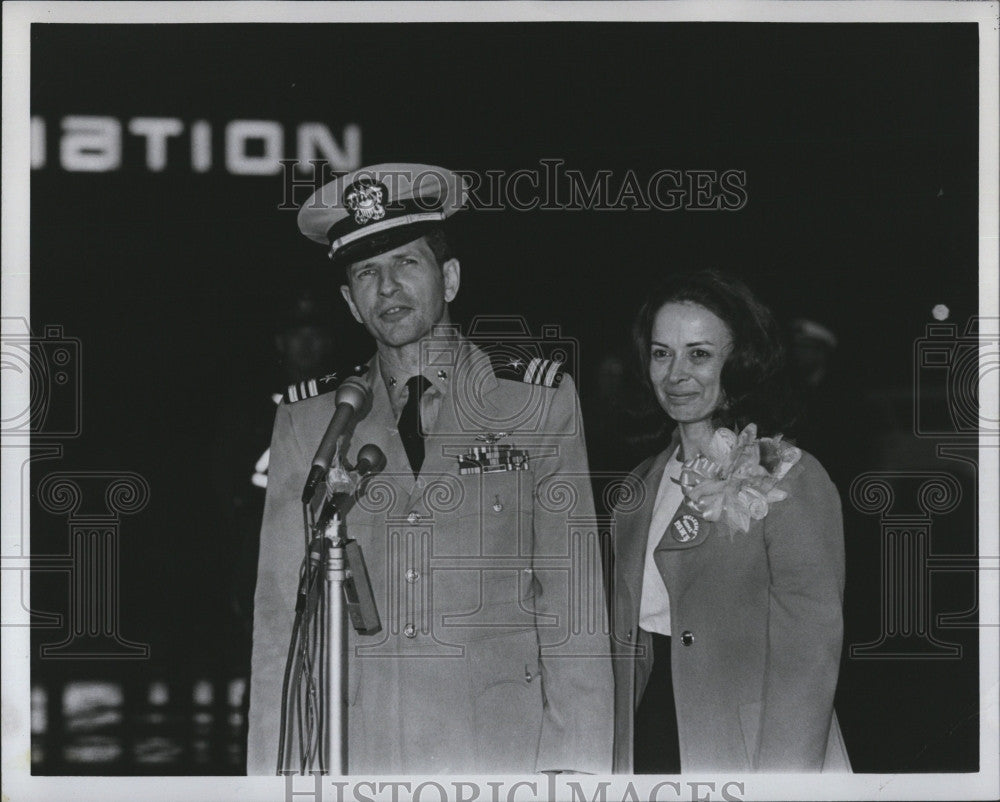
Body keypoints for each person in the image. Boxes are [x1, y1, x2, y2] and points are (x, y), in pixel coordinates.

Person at [247, 163, 613, 775]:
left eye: (405, 264)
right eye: (366, 273)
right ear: (350, 302)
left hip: (500, 752)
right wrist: (273, 780)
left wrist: (574, 777)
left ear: (450, 276)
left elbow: (573, 613)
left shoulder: (536, 401)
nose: (386, 288)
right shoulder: (311, 423)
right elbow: (280, 622)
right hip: (357, 750)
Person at [611, 269, 851, 773]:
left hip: (756, 747)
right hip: (652, 734)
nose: (675, 373)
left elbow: (809, 660)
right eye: (661, 352)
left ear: (739, 361)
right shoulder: (638, 487)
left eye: (699, 353)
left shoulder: (786, 472)